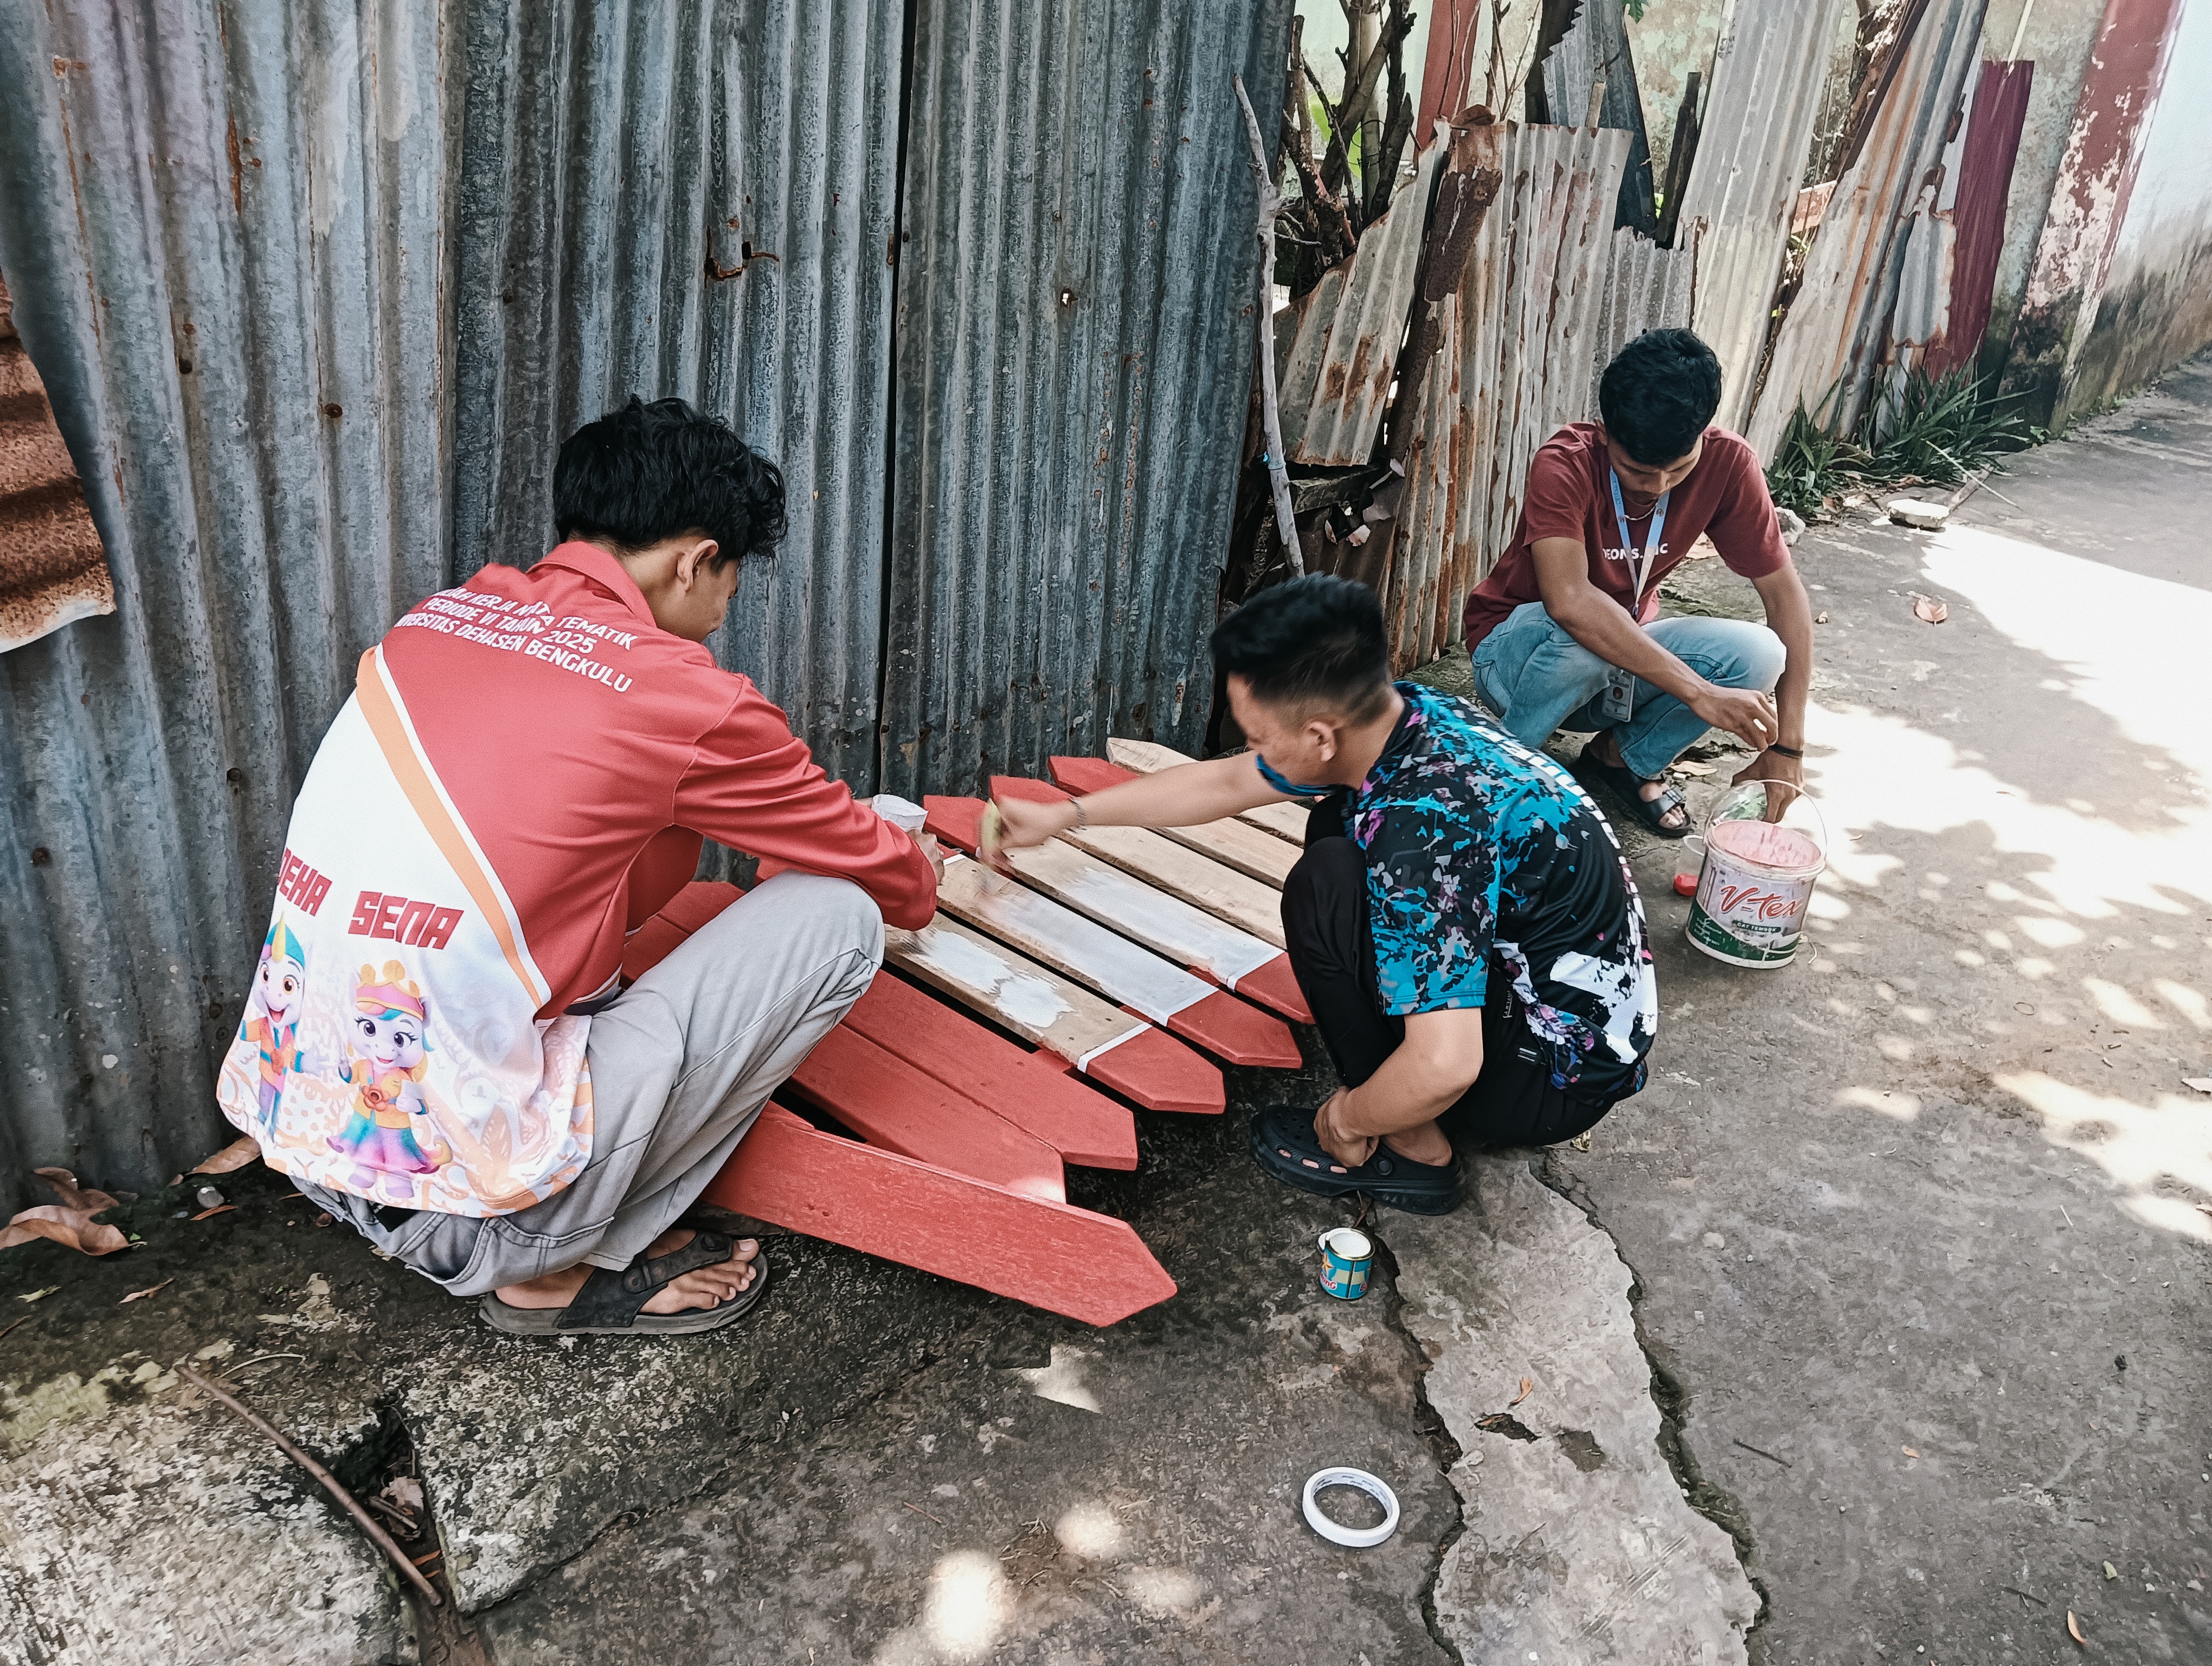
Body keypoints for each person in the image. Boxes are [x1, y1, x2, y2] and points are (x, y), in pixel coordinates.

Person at [214, 396, 942, 1335]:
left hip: (309, 1141)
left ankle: (523, 1198)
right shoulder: (681, 693)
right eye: (731, 582)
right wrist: (909, 856)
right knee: (839, 916)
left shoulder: (437, 622)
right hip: (466, 1220)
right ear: (693, 558)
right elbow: (900, 886)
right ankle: (549, 1265)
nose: (723, 613)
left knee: (628, 844)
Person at [991, 575, 1656, 1215]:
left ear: (1318, 736)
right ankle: (1399, 1089)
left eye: (1258, 736)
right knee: (1336, 823)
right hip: (1582, 1027)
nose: (1251, 749)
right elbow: (1226, 785)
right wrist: (1066, 817)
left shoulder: (1423, 828)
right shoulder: (1413, 714)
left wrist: (1346, 1114)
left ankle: (1413, 1149)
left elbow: (1449, 1065)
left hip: (1550, 1080)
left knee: (1326, 887)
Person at [1461, 328, 1816, 837]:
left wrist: (1789, 749)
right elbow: (1569, 603)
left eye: (1678, 469)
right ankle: (1503, 777)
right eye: (1636, 471)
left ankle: (1619, 762)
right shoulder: (1564, 462)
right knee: (1586, 635)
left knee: (1762, 654)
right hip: (1515, 659)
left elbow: (1785, 598)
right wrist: (1699, 693)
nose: (1658, 487)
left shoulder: (1729, 463)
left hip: (1614, 659)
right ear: (1605, 434)